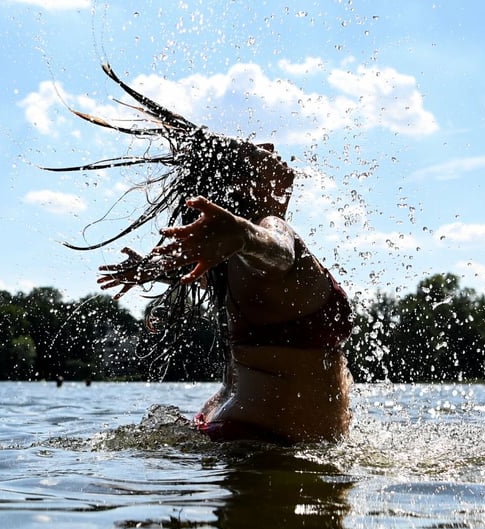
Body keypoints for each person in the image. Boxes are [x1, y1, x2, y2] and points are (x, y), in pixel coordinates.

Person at [47, 63, 353, 444]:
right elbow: (280, 250)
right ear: (244, 183)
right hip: (269, 441)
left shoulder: (234, 262)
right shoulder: (267, 234)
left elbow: (256, 261)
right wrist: (243, 234)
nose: (272, 148)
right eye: (256, 151)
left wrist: (159, 269)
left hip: (237, 424)